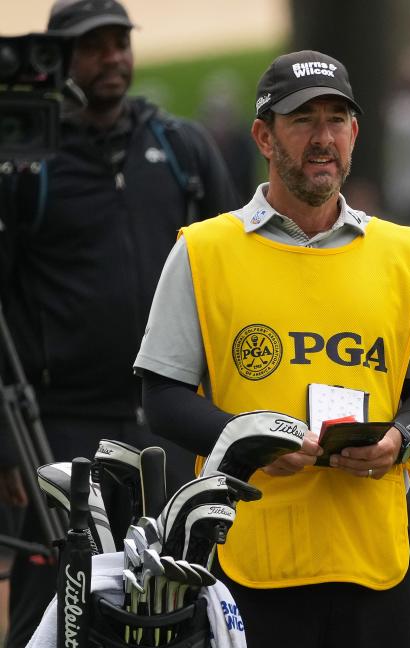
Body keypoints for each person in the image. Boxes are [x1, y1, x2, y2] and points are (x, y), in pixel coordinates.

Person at [133, 50, 410, 647]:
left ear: (355, 134)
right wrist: (244, 442)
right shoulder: (205, 251)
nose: (322, 138)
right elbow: (161, 395)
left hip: (373, 558)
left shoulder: (402, 252)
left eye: (336, 119)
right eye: (302, 119)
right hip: (247, 558)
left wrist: (400, 440)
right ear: (264, 135)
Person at [0, 1, 238, 645]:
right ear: (57, 60)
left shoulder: (179, 147)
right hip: (59, 422)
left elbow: (233, 267)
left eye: (119, 42)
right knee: (55, 605)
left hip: (169, 414)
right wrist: (6, 446)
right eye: (92, 46)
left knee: (175, 599)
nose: (111, 58)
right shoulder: (26, 166)